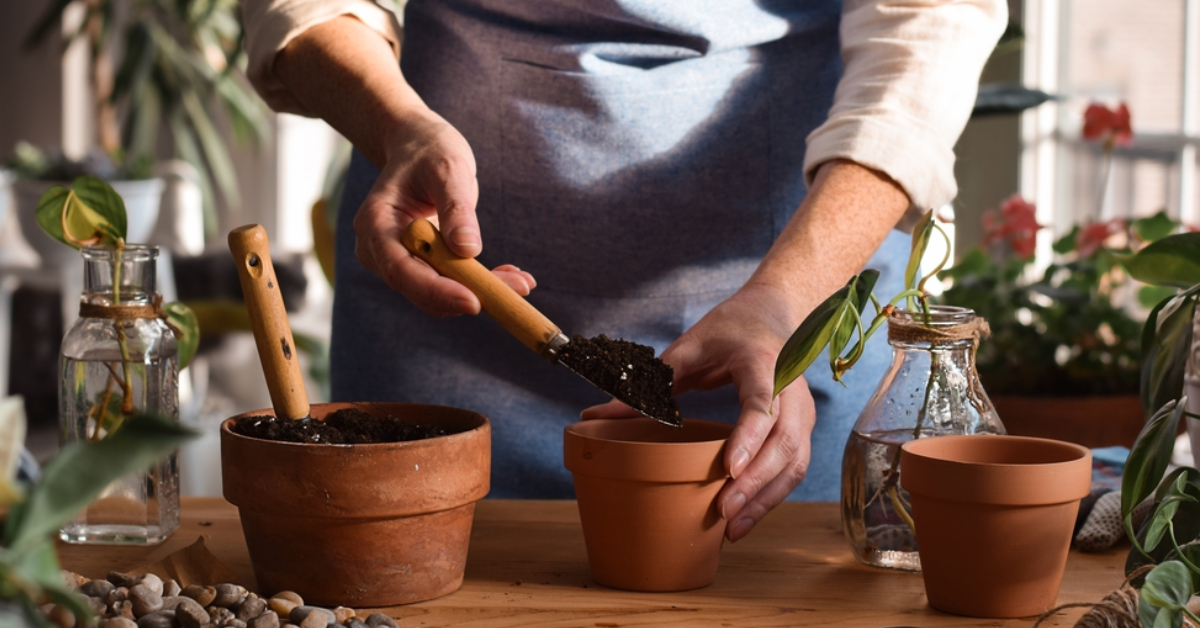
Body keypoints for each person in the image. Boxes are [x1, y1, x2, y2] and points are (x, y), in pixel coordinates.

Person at [240, 0, 1006, 542]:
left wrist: (785, 300)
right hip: (446, 301)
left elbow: (930, 30)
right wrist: (398, 127)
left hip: (789, 310)